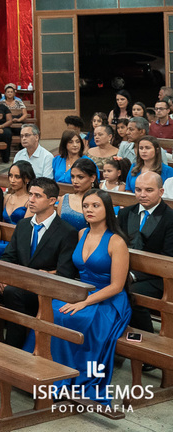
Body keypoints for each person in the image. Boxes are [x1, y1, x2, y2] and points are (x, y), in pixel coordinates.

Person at [42, 189, 131, 405]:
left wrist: (84, 302)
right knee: (52, 311)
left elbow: (117, 286)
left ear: (107, 209)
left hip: (108, 299)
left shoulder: (116, 242)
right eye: (86, 206)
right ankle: (52, 373)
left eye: (95, 206)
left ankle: (77, 377)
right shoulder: (82, 233)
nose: (89, 210)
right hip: (81, 291)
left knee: (75, 317)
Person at [0, 178, 79, 348]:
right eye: (30, 194)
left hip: (42, 288)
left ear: (52, 200)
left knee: (12, 292)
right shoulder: (23, 225)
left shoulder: (67, 232)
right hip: (17, 282)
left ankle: (13, 349)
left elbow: (66, 272)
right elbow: (9, 257)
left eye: (37, 195)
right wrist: (2, 276)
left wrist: (34, 277)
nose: (31, 199)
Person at [116, 172, 173, 333]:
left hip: (159, 277)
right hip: (125, 269)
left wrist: (134, 276)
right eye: (138, 190)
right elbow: (117, 244)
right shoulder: (126, 213)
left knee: (131, 294)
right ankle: (113, 335)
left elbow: (167, 257)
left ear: (161, 192)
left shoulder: (170, 218)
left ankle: (146, 338)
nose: (142, 195)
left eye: (148, 190)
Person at [57, 158, 99, 231]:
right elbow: (56, 226)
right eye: (72, 176)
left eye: (80, 177)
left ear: (92, 178)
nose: (75, 181)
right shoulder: (65, 198)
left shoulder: (99, 201)